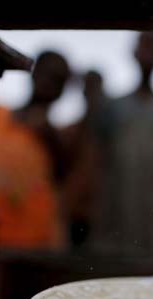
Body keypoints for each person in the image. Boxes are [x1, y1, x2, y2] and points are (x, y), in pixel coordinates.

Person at [91, 32, 153, 264]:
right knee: (114, 266)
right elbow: (96, 158)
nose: (149, 53)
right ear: (134, 52)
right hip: (117, 208)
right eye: (145, 46)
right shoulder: (114, 108)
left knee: (152, 269)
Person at [0, 51, 70, 250]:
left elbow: (64, 179)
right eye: (45, 74)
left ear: (63, 89)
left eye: (57, 80)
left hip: (31, 245)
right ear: (34, 73)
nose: (48, 84)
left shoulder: (57, 136)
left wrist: (49, 138)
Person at [61, 70, 106, 248]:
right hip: (71, 215)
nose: (92, 95)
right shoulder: (72, 131)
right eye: (88, 89)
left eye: (96, 89)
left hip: (100, 217)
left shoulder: (110, 136)